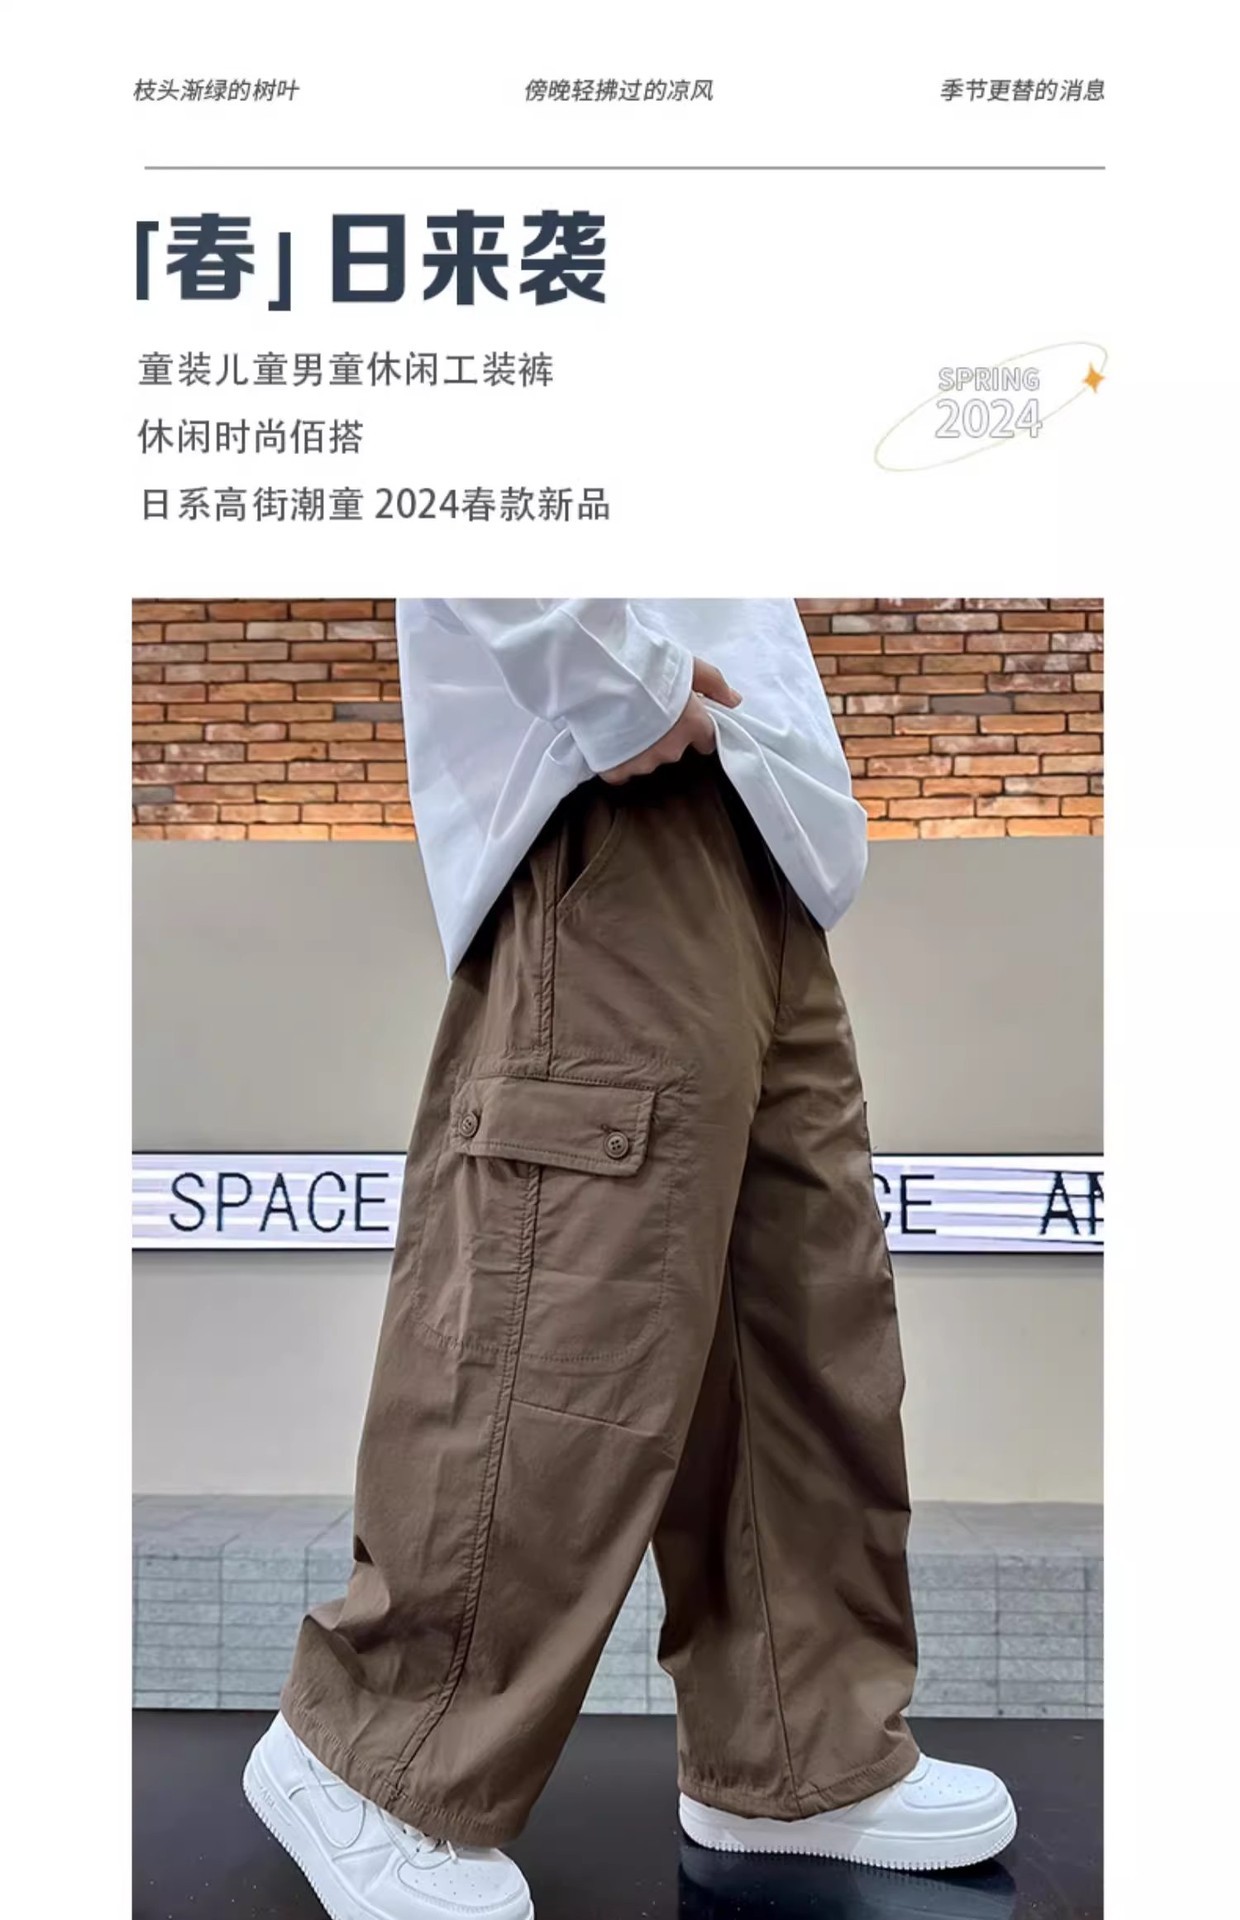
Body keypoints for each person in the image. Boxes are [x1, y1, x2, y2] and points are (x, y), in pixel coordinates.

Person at [242, 600, 1017, 1920]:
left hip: (770, 830)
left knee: (804, 1323)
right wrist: (608, 668)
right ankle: (375, 1759)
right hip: (612, 783)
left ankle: (799, 1750)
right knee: (565, 1308)